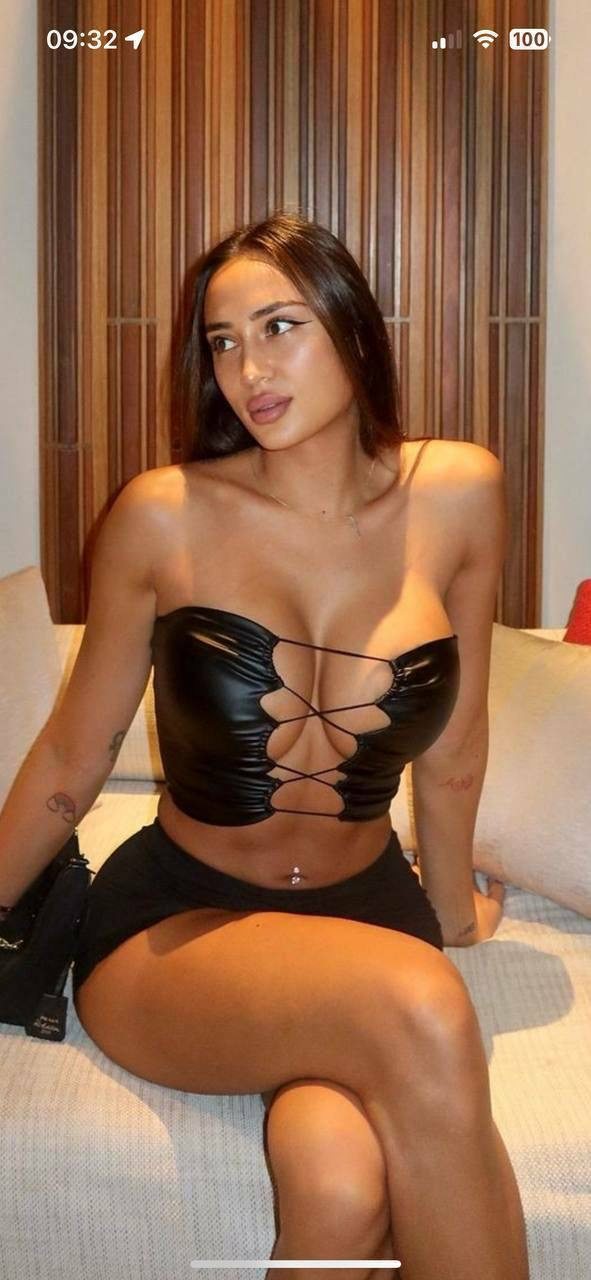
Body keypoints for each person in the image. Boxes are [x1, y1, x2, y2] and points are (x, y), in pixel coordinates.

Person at [0, 211, 529, 1279]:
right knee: (422, 1005)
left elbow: (457, 741)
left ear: (353, 327)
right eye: (223, 341)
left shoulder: (460, 492)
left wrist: (449, 908)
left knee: (340, 1192)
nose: (248, 369)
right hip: (179, 927)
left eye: (280, 326)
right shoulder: (162, 514)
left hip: (366, 912)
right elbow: (69, 760)